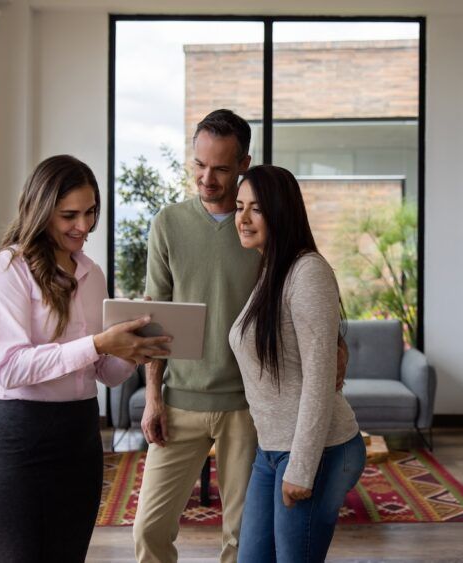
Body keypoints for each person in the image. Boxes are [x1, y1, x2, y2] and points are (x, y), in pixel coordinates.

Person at [132, 109, 349, 563]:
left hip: (248, 410)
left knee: (241, 537)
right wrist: (153, 396)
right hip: (180, 401)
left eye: (222, 168)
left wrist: (337, 345)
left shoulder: (264, 231)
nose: (207, 178)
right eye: (199, 164)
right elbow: (155, 319)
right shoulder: (169, 225)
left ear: (244, 164)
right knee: (149, 527)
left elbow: (309, 301)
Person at [0, 155, 172, 563]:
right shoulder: (8, 270)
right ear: (41, 211)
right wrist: (99, 343)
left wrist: (134, 347)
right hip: (17, 443)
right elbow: (11, 368)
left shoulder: (91, 273)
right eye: (69, 215)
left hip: (79, 439)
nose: (84, 226)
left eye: (90, 212)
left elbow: (105, 374)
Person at [230, 165, 365, 563]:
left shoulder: (308, 272)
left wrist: (302, 468)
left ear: (281, 211)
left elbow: (320, 379)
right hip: (271, 449)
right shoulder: (271, 270)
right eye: (240, 207)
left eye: (256, 208)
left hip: (317, 450)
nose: (243, 218)